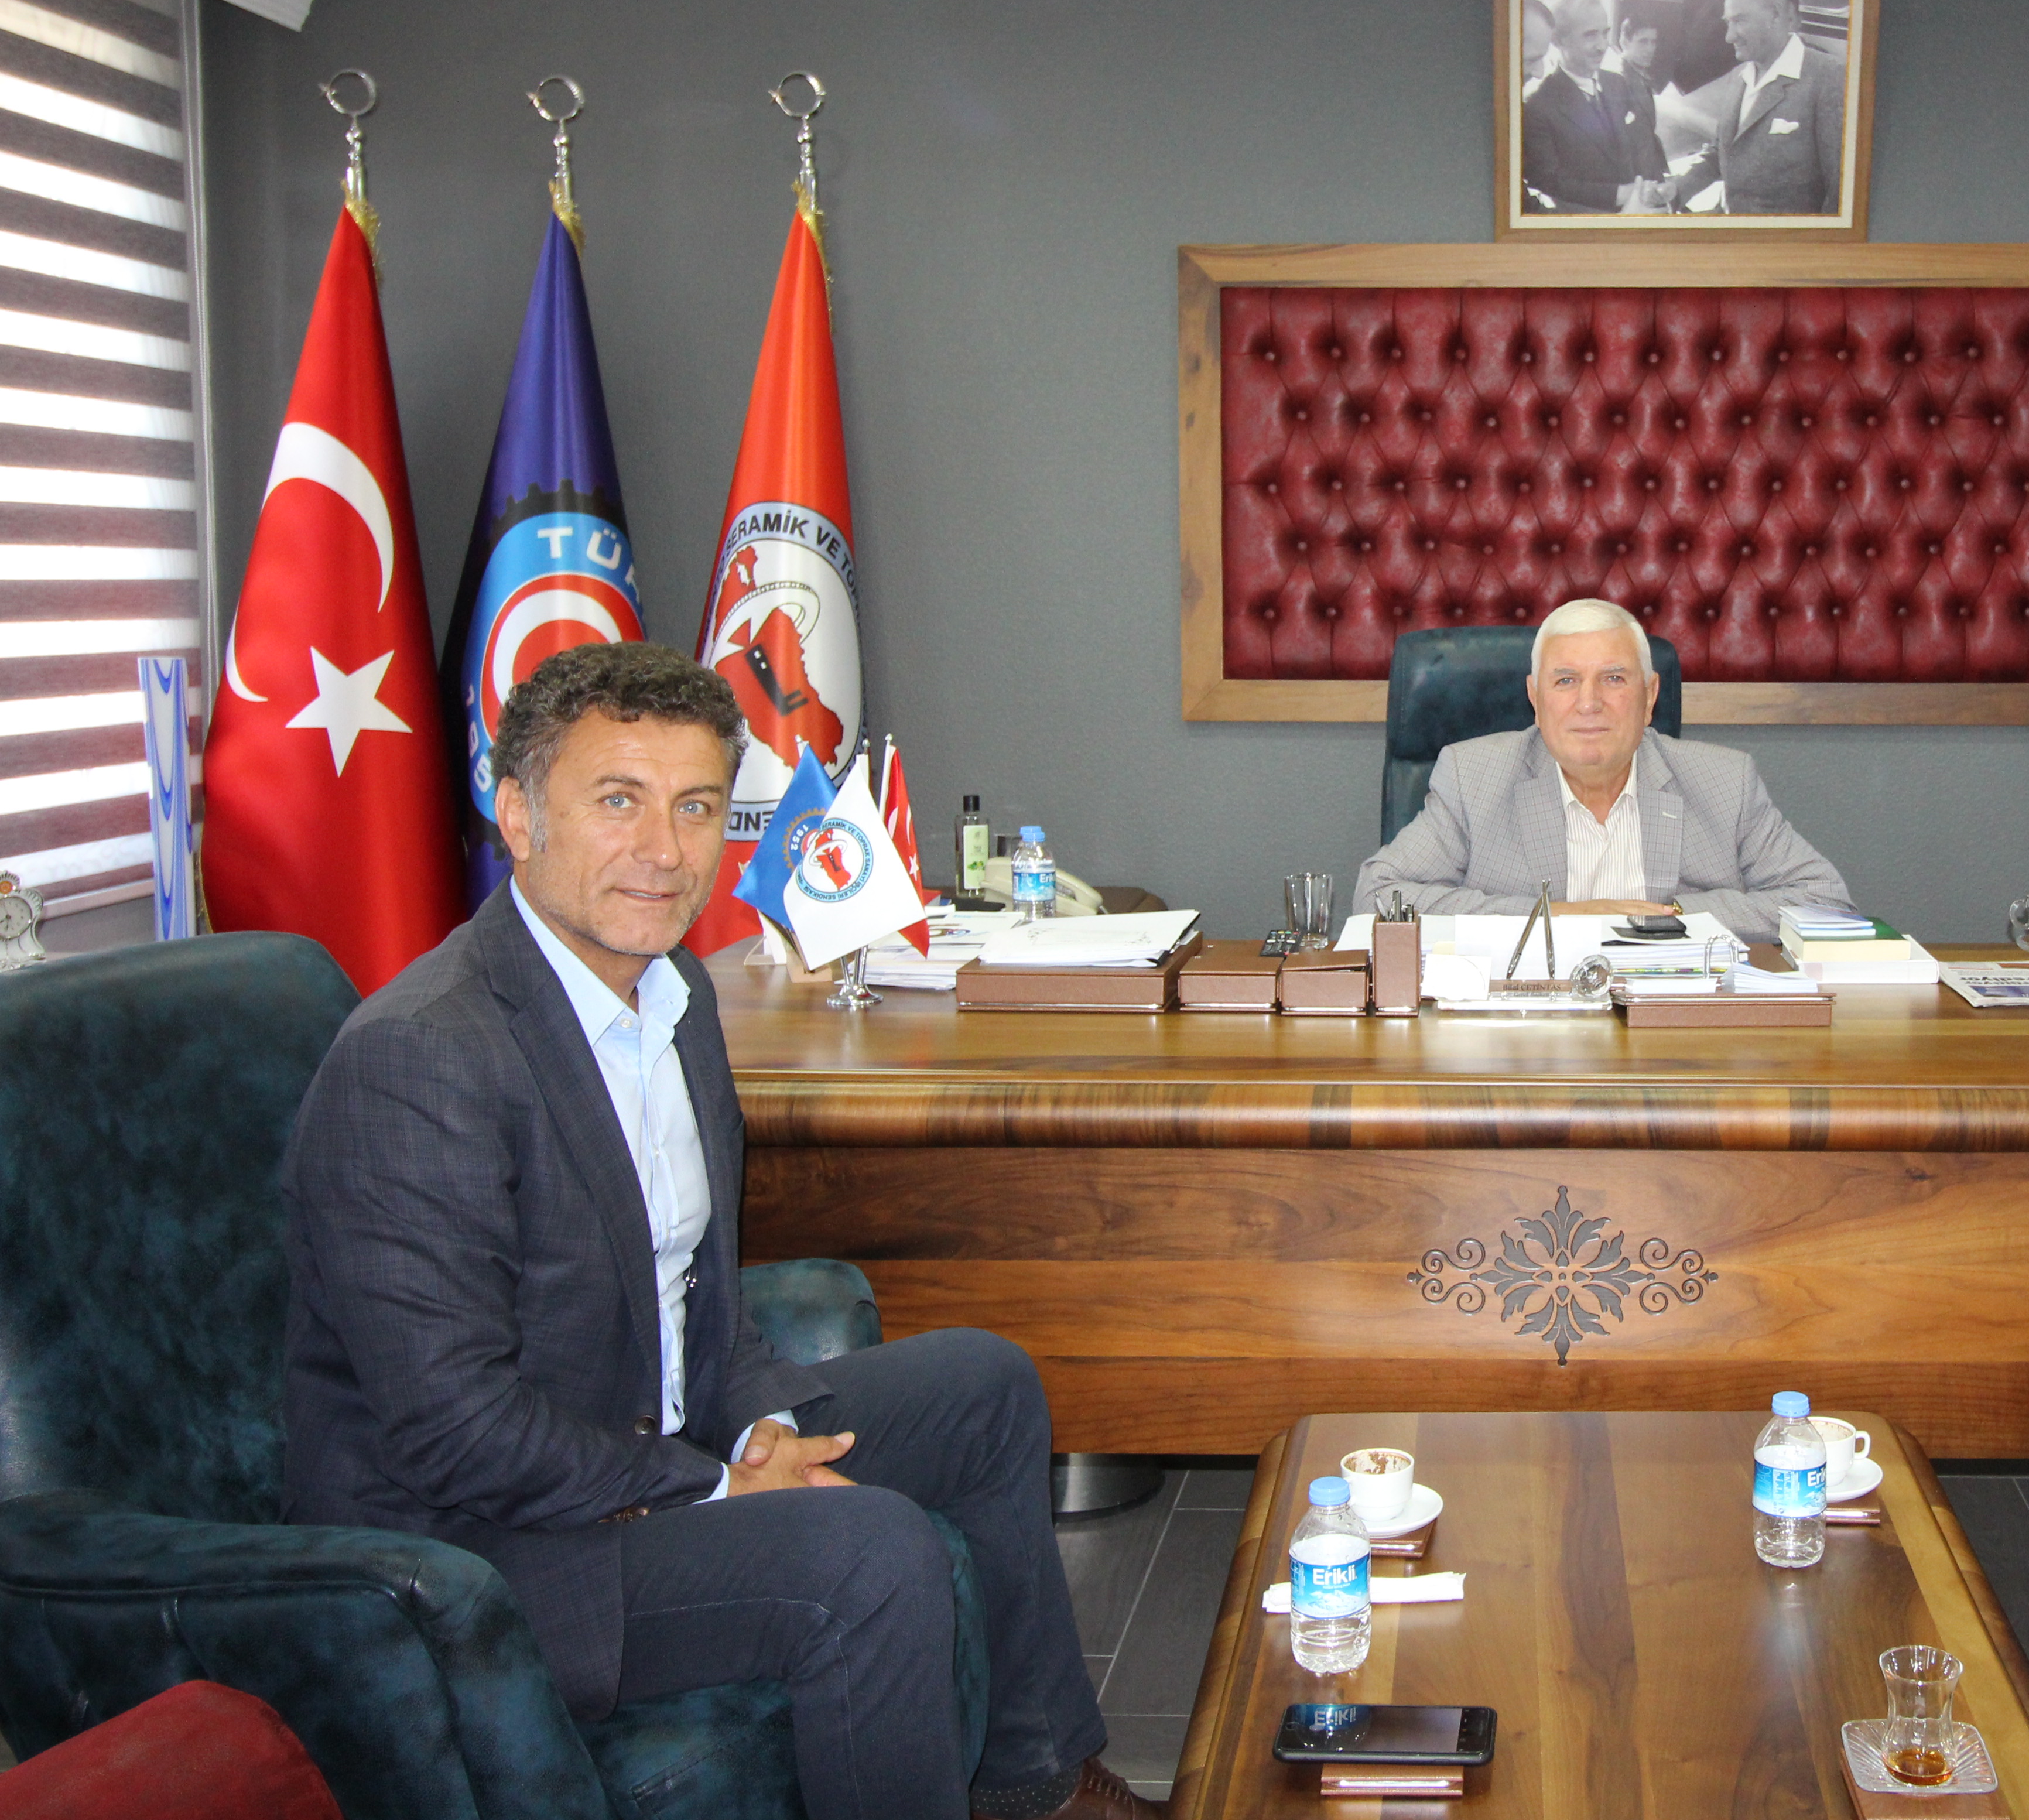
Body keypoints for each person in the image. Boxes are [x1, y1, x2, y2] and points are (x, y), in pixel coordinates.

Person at [280, 642, 1151, 1820]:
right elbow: (455, 1433)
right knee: (869, 1554)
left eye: (695, 807)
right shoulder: (421, 1057)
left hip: (655, 1441)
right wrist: (715, 1485)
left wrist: (764, 1432)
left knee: (982, 1388)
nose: (664, 849)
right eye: (618, 801)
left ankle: (1037, 1786)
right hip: (489, 1554)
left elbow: (703, 1302)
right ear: (520, 817)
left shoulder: (673, 997)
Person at [1353, 598, 1852, 939]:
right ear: (1535, 699)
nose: (1589, 703)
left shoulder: (1724, 781)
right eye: (1566, 680)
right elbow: (1378, 897)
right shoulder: (1474, 778)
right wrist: (1559, 918)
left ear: (1650, 696)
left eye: (1613, 678)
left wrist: (1667, 916)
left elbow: (1825, 902)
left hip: (1672, 1031)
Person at [1663, 0, 1846, 216]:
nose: (1729, 37)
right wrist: (1676, 189)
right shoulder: (1740, 77)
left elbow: (1840, 195)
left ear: (1775, 15)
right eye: (1728, 23)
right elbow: (1722, 153)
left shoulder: (1829, 77)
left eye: (1740, 21)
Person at [1520, 0, 1670, 214]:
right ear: (1558, 41)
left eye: (1605, 33)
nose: (1602, 46)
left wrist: (1656, 187)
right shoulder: (1537, 106)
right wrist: (1620, 194)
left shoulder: (1617, 83)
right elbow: (1546, 180)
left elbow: (1639, 144)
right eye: (1590, 36)